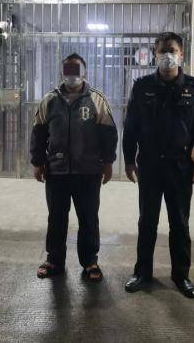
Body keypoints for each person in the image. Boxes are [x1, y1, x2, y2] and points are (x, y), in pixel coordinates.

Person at [122, 32, 194, 298]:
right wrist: (129, 159)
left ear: (181, 54)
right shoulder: (142, 87)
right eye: (162, 51)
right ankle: (142, 273)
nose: (167, 56)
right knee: (147, 221)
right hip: (149, 165)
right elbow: (131, 126)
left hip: (179, 167)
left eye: (172, 50)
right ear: (155, 54)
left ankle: (181, 275)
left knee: (180, 223)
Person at [30, 53, 118, 282]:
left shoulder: (97, 99)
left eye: (76, 70)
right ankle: (54, 260)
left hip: (88, 172)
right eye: (67, 70)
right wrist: (37, 162)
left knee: (88, 218)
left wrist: (108, 162)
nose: (72, 75)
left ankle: (90, 261)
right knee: (56, 218)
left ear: (85, 72)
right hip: (57, 171)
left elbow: (109, 134)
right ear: (62, 72)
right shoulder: (50, 100)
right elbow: (39, 133)